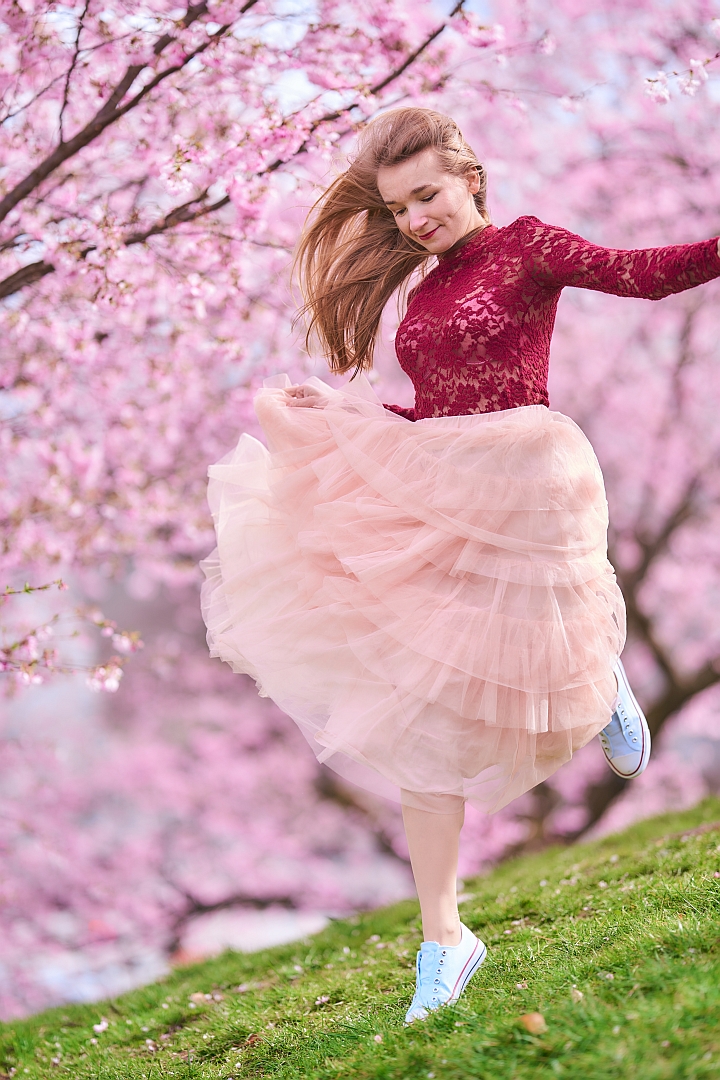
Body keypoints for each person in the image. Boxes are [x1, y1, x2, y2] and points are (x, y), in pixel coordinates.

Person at [201, 108, 720, 1025]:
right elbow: (433, 412)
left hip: (525, 474)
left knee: (535, 620)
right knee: (421, 714)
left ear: (470, 179)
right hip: (446, 484)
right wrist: (338, 421)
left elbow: (644, 274)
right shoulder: (423, 291)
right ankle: (445, 939)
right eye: (400, 208)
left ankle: (598, 673)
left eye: (429, 195)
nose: (416, 218)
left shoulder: (528, 248)